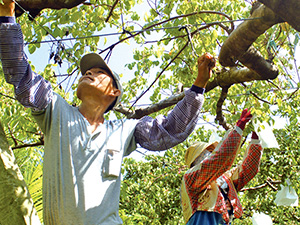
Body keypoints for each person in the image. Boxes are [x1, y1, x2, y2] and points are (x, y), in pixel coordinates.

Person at [0, 1, 216, 224]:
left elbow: (170, 129)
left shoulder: (125, 130)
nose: (89, 72)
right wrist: (7, 18)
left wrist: (199, 84)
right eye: (87, 71)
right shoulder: (55, 108)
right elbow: (22, 77)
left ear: (114, 91)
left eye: (99, 71)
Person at [181, 109, 264, 225]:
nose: (210, 154)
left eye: (211, 151)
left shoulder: (224, 178)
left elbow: (248, 170)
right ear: (195, 160)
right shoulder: (190, 178)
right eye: (206, 152)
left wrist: (256, 137)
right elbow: (219, 160)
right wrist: (239, 126)